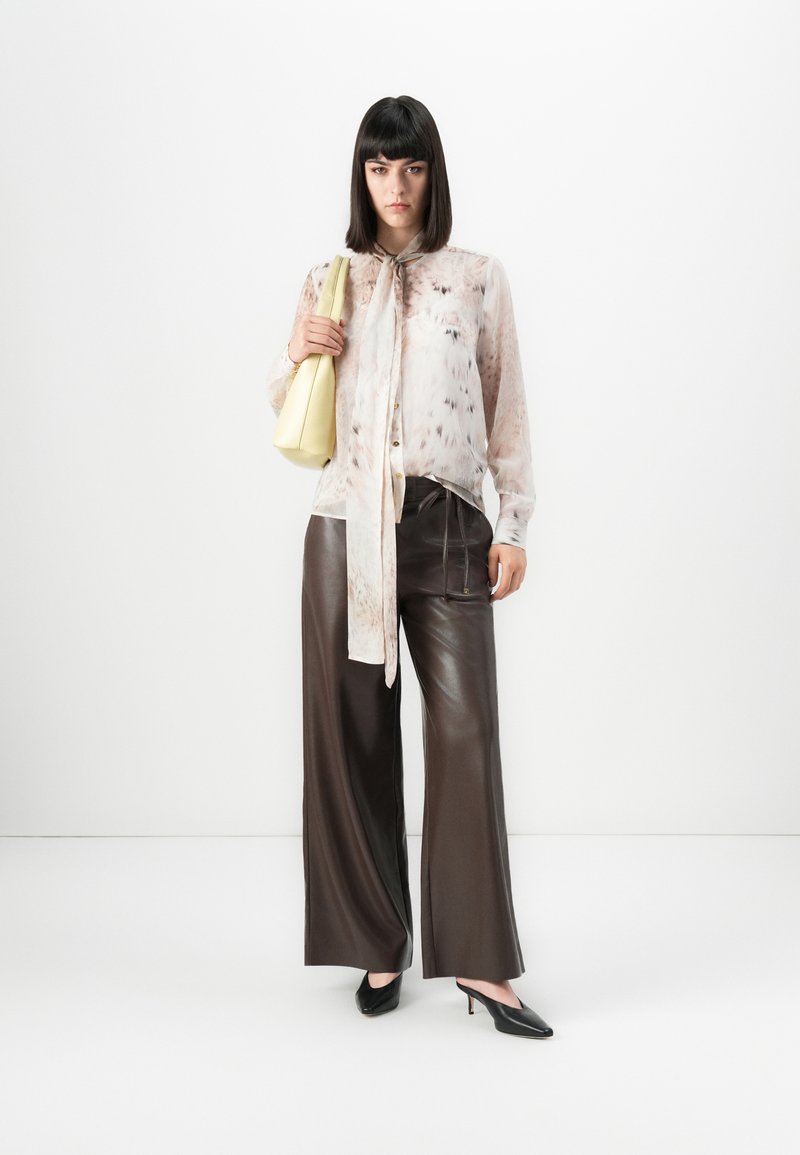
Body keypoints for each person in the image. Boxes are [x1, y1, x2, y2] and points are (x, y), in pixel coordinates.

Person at [265, 95, 554, 1039]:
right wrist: (295, 352)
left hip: (451, 524)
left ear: (434, 173)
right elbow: (294, 414)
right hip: (347, 522)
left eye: (413, 166)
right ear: (362, 176)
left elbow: (506, 405)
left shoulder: (476, 278)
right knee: (350, 736)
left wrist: (514, 521)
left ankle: (480, 960)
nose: (396, 185)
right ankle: (377, 940)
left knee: (467, 731)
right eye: (380, 167)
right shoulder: (330, 278)